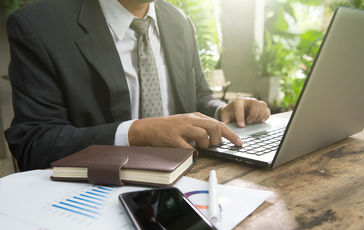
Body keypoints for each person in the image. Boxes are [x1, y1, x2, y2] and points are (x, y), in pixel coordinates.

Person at [5, 0, 271, 171]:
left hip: (187, 178)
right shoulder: (40, 26)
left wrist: (222, 112)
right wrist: (137, 132)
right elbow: (35, 145)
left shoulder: (179, 22)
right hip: (95, 195)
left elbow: (200, 97)